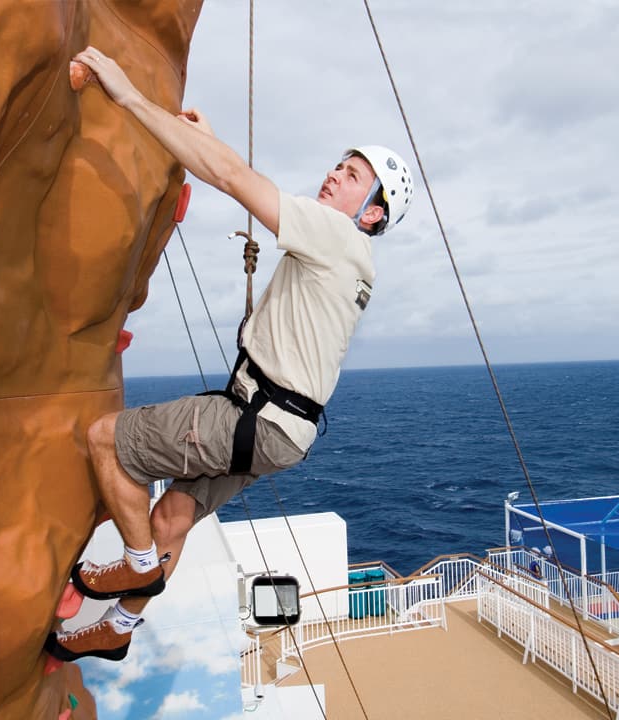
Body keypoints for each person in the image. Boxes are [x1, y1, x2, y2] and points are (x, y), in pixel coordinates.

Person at [44, 46, 414, 663]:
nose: (332, 175)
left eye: (351, 177)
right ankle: (119, 626)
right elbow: (242, 177)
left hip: (255, 418)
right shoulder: (350, 261)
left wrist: (128, 96)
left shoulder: (337, 236)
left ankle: (138, 569)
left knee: (108, 439)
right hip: (281, 432)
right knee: (173, 516)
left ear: (372, 213)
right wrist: (216, 142)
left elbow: (232, 181)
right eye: (337, 165)